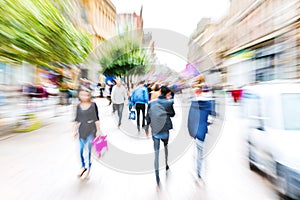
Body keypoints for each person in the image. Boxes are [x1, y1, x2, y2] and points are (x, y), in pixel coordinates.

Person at [146, 86, 175, 185]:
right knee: (166, 147)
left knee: (156, 152)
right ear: (167, 94)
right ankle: (166, 164)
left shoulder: (151, 103)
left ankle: (157, 175)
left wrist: (146, 128)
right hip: (165, 128)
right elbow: (172, 114)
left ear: (160, 92)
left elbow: (148, 117)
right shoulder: (169, 102)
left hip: (155, 129)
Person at [187, 85, 215, 181]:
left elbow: (190, 118)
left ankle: (197, 169)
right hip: (202, 129)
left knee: (196, 150)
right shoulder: (208, 103)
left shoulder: (193, 103)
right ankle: (199, 171)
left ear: (196, 92)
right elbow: (211, 117)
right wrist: (206, 123)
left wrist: (190, 130)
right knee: (200, 151)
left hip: (194, 130)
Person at [73, 89, 100, 179]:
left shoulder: (93, 105)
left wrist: (98, 130)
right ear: (79, 96)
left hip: (91, 130)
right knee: (80, 150)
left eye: (86, 95)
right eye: (82, 95)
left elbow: (97, 119)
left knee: (88, 151)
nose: (84, 97)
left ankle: (88, 169)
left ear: (89, 96)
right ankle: (83, 166)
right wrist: (74, 131)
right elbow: (76, 119)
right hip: (82, 130)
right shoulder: (78, 106)